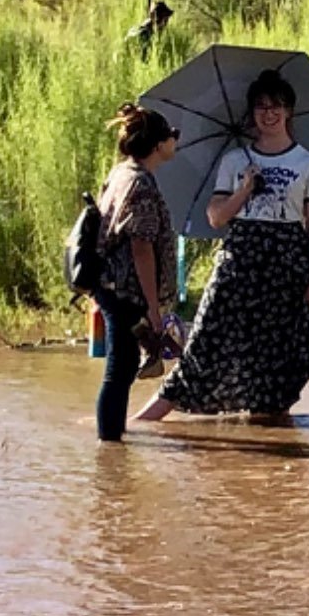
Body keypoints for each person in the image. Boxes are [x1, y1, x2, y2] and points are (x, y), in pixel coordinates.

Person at [136, 69, 309, 425]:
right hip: (239, 261)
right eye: (260, 107)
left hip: (287, 266)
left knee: (279, 357)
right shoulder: (234, 161)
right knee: (206, 340)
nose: (268, 114)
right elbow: (215, 218)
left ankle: (270, 431)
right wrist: (243, 190)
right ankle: (143, 421)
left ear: (289, 111)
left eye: (276, 107)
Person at [88, 106, 184, 443]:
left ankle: (113, 438)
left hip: (110, 285)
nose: (175, 140)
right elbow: (141, 248)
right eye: (172, 135)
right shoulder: (141, 184)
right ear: (158, 145)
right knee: (121, 368)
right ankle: (110, 444)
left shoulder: (122, 173)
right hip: (126, 290)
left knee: (122, 366)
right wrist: (153, 309)